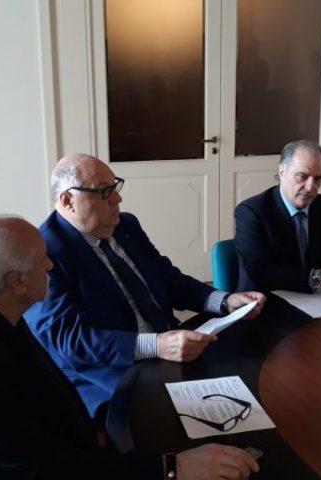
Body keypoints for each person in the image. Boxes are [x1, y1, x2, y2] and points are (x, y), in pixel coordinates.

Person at [0, 216, 259, 479]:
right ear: (17, 281)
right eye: (42, 259)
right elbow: (47, 471)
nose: (50, 264)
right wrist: (172, 468)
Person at [25, 154, 266, 421]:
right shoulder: (45, 252)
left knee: (251, 383)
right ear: (67, 200)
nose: (117, 199)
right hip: (110, 372)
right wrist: (157, 345)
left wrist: (223, 300)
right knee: (189, 422)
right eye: (104, 191)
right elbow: (69, 340)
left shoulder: (125, 225)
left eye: (115, 187)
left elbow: (167, 277)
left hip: (168, 349)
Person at [234, 140, 321, 293]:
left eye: (317, 178)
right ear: (282, 172)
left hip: (320, 297)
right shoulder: (251, 212)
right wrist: (320, 277)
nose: (311, 187)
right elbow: (261, 272)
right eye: (302, 176)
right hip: (266, 299)